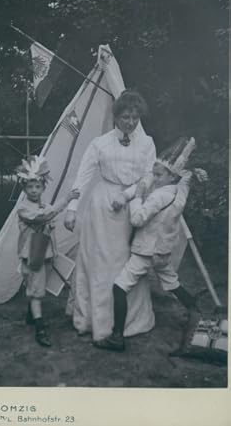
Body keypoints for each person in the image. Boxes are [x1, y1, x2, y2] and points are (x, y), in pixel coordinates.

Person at [95, 137, 206, 352]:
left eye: (158, 175)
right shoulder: (180, 189)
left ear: (170, 176)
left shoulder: (157, 197)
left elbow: (137, 220)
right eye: (154, 174)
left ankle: (117, 337)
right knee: (172, 282)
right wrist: (193, 167)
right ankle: (195, 312)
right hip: (163, 251)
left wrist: (136, 197)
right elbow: (186, 175)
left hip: (145, 251)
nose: (154, 179)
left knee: (119, 287)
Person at [64, 89, 157, 342]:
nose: (130, 122)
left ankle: (128, 321)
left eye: (135, 118)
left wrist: (127, 195)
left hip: (132, 205)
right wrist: (72, 209)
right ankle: (93, 320)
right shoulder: (100, 143)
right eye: (125, 117)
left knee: (126, 261)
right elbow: (81, 177)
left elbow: (149, 176)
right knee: (99, 262)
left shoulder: (147, 143)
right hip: (102, 206)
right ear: (116, 116)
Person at [16, 156, 79, 347]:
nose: (34, 190)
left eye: (37, 187)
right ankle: (40, 328)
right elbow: (43, 217)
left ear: (43, 188)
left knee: (38, 284)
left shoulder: (43, 205)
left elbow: (49, 218)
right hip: (33, 254)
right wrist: (66, 200)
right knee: (37, 292)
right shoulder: (23, 207)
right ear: (24, 189)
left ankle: (30, 314)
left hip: (45, 253)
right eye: (30, 187)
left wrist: (51, 224)